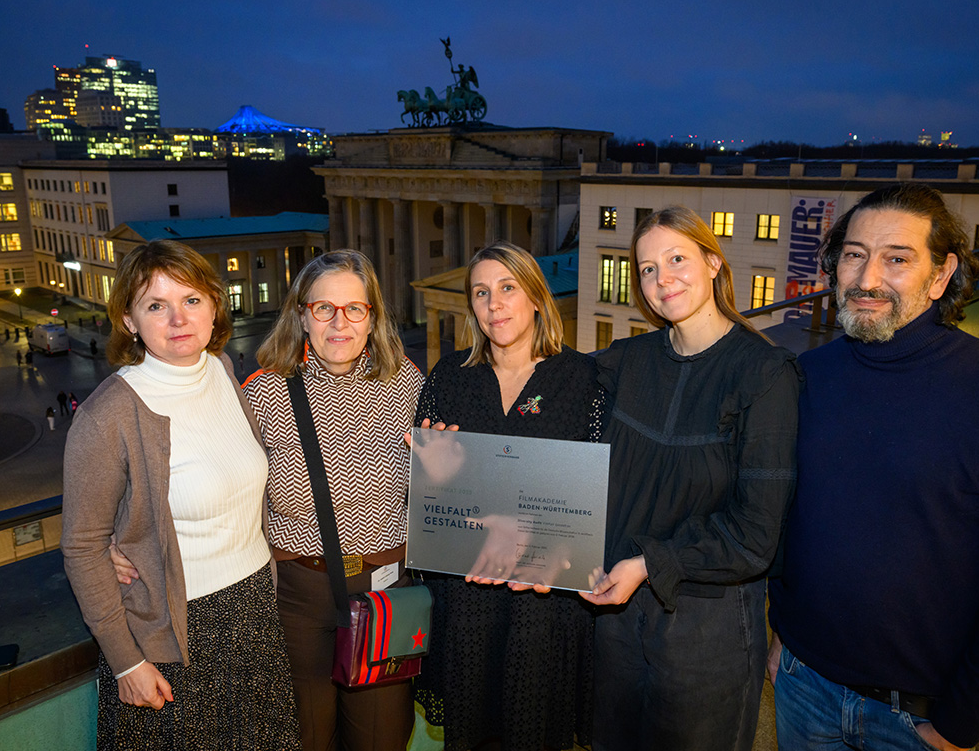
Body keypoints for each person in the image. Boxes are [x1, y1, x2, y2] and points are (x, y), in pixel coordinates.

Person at [766, 183, 979, 751]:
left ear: (941, 275)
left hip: (918, 721)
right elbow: (784, 520)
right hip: (803, 687)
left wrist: (962, 722)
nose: (867, 278)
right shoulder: (807, 377)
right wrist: (783, 634)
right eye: (854, 255)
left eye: (896, 259)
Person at [60, 239, 300, 750]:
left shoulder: (221, 371)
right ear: (129, 321)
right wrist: (127, 662)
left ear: (215, 305)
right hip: (174, 634)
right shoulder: (108, 416)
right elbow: (82, 547)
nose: (177, 319)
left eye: (191, 300)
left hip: (253, 608)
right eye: (155, 305)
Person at [582, 206, 800, 751]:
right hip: (617, 617)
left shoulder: (764, 374)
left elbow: (755, 535)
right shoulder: (626, 361)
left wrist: (651, 563)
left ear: (713, 263)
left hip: (710, 629)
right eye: (648, 268)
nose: (662, 279)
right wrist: (455, 443)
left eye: (677, 258)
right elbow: (543, 395)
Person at [412, 242, 606, 751]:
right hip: (468, 596)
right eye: (481, 292)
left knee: (534, 732)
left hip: (543, 599)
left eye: (507, 288)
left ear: (537, 298)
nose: (494, 304)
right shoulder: (448, 378)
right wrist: (433, 474)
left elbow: (590, 501)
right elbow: (434, 499)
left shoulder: (581, 381)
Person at [244, 249, 423, 751]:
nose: (339, 322)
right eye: (324, 308)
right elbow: (223, 487)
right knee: (305, 736)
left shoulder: (409, 385)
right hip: (299, 597)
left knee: (380, 739)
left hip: (385, 590)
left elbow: (446, 485)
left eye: (354, 309)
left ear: (373, 318)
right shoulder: (263, 394)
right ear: (302, 315)